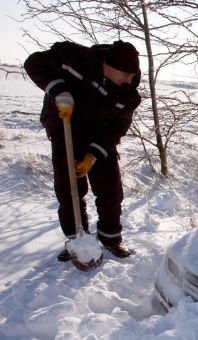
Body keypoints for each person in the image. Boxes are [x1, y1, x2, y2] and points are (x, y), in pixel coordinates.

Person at [24, 40, 142, 260]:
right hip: (65, 133)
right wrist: (59, 91)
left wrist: (92, 156)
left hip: (98, 140)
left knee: (111, 192)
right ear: (108, 64)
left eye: (133, 75)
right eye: (125, 74)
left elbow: (116, 128)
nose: (129, 80)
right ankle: (77, 242)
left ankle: (110, 240)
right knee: (69, 193)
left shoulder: (128, 95)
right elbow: (33, 63)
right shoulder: (77, 59)